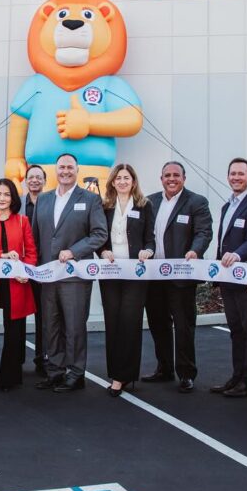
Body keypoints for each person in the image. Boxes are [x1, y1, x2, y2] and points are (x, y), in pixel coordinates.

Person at [31, 153, 107, 393]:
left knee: (74, 327)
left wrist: (74, 251)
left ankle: (75, 374)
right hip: (48, 276)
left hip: (75, 276)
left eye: (70, 167)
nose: (65, 171)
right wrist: (33, 267)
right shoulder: (43, 200)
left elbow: (99, 234)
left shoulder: (90, 199)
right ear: (55, 170)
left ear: (77, 170)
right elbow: (34, 238)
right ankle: (55, 371)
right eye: (61, 167)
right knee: (51, 325)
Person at [142, 161, 212, 393]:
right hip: (154, 275)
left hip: (181, 274)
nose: (171, 179)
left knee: (183, 326)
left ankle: (186, 373)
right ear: (161, 178)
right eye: (167, 175)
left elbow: (204, 232)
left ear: (184, 177)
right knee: (158, 323)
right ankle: (164, 368)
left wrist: (195, 250)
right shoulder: (149, 201)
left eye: (176, 175)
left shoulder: (196, 202)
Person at [210, 158, 247, 398]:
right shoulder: (227, 206)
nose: (236, 177)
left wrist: (237, 255)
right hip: (228, 278)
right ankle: (236, 377)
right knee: (236, 330)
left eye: (241, 174)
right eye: (232, 173)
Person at [98, 164, 155, 397]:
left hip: (135, 274)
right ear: (112, 182)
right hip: (111, 272)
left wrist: (148, 251)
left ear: (133, 181)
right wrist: (102, 251)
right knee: (112, 322)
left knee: (130, 322)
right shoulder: (105, 206)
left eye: (126, 178)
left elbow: (150, 238)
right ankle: (116, 373)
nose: (122, 181)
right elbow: (99, 236)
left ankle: (125, 375)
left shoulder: (144, 205)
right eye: (118, 178)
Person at [0, 178, 38, 391]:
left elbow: (31, 252)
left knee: (14, 334)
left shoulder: (22, 221)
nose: (2, 198)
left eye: (7, 194)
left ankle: (10, 378)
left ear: (13, 198)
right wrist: (1, 255)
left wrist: (26, 272)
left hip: (16, 284)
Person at [22, 164, 47, 376]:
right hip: (20, 266)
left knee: (43, 316)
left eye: (39, 177)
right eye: (31, 177)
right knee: (17, 315)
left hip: (43, 267)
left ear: (45, 181)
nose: (35, 180)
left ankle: (42, 358)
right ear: (26, 180)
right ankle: (16, 360)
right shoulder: (18, 204)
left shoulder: (51, 202)